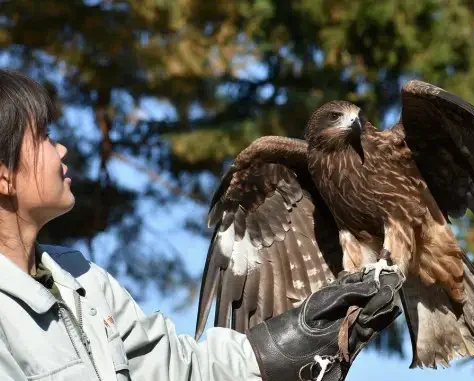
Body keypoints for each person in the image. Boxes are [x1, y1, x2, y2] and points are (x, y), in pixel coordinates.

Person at [0, 68, 404, 381]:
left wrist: (290, 343)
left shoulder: (84, 282)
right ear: (3, 175)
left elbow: (183, 372)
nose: (63, 147)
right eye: (45, 137)